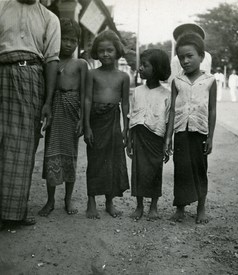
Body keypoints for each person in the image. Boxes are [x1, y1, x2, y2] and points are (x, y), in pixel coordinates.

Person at [0, 0, 60, 229]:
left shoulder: (49, 18)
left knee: (23, 148)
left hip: (31, 78)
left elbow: (52, 60)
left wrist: (48, 101)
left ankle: (13, 213)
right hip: (1, 71)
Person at [165, 32, 217, 224]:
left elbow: (212, 110)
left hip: (200, 132)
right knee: (181, 170)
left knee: (200, 169)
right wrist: (168, 137)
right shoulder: (177, 81)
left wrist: (211, 137)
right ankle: (180, 208)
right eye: (181, 57)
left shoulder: (210, 81)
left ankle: (201, 207)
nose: (185, 61)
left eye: (190, 56)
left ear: (201, 57)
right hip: (180, 132)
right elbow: (171, 110)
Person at [38, 18, 88, 217]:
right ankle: (50, 201)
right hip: (55, 109)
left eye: (73, 40)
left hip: (71, 110)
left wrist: (82, 119)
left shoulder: (81, 64)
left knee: (70, 156)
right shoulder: (51, 61)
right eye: (64, 39)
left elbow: (85, 94)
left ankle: (68, 199)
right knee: (51, 154)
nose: (68, 43)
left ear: (78, 42)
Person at [84, 30, 130, 219]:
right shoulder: (92, 74)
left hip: (113, 122)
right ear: (96, 52)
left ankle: (109, 202)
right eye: (101, 51)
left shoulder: (123, 77)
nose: (105, 54)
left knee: (113, 161)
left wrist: (126, 128)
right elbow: (86, 99)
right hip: (95, 120)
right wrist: (86, 126)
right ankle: (91, 201)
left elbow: (126, 103)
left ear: (117, 51)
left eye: (109, 50)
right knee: (95, 160)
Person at [127, 49, 171, 220]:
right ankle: (139, 206)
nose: (140, 68)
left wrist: (168, 143)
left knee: (154, 172)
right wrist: (130, 140)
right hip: (139, 136)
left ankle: (153, 206)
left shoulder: (166, 94)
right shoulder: (137, 91)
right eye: (141, 65)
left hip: (156, 138)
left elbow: (168, 121)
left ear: (157, 68)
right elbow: (132, 117)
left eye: (145, 65)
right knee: (138, 171)